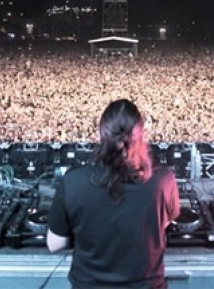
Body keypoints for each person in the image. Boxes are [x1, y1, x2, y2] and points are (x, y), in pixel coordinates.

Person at [47, 99, 180, 289]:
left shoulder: (73, 182)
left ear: (101, 135)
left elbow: (55, 244)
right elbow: (164, 222)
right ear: (142, 136)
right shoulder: (164, 181)